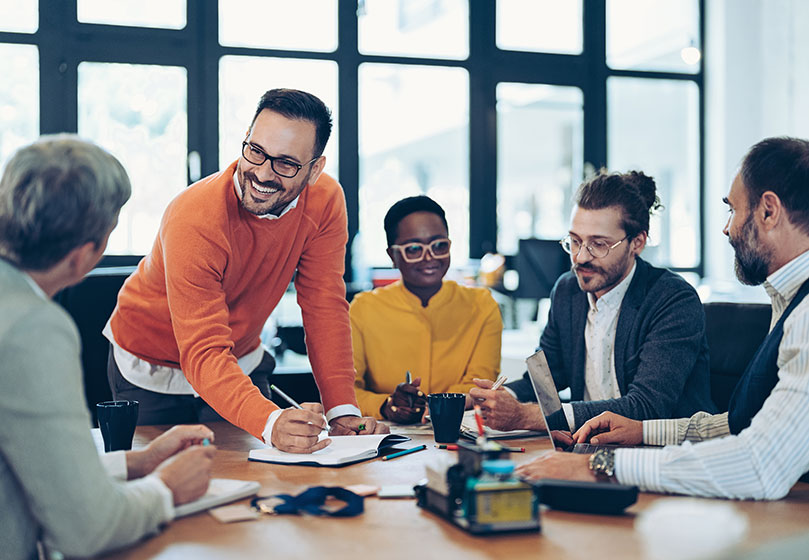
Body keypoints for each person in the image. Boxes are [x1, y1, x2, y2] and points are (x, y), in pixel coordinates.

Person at [516, 137, 809, 500]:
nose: (726, 229)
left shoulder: (803, 315)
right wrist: (643, 432)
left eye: (732, 210)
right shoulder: (789, 299)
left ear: (768, 211)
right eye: (575, 241)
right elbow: (736, 425)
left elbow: (759, 465)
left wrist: (600, 467)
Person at [105, 89, 386, 453]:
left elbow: (324, 306)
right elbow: (202, 351)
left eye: (285, 163)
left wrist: (342, 412)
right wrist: (269, 423)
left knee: (261, 479)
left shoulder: (326, 201)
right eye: (255, 151)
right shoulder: (196, 216)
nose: (262, 174)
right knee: (164, 489)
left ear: (315, 169)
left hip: (237, 359)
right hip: (151, 366)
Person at [0, 136, 216, 560]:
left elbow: (25, 459)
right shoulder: (32, 327)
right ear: (85, 255)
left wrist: (139, 464)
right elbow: (89, 528)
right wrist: (166, 489)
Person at [470, 171, 716, 434]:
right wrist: (494, 399)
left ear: (637, 243)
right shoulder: (567, 290)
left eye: (598, 244)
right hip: (589, 447)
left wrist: (526, 417)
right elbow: (544, 382)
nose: (580, 257)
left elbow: (647, 407)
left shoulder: (673, 300)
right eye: (575, 241)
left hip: (663, 454)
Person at [351, 196, 502, 422]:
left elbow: (479, 383)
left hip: (459, 434)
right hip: (386, 438)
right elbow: (346, 390)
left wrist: (436, 406)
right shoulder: (363, 309)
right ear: (393, 255)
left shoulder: (481, 304)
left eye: (439, 245)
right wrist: (386, 405)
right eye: (414, 249)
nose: (429, 257)